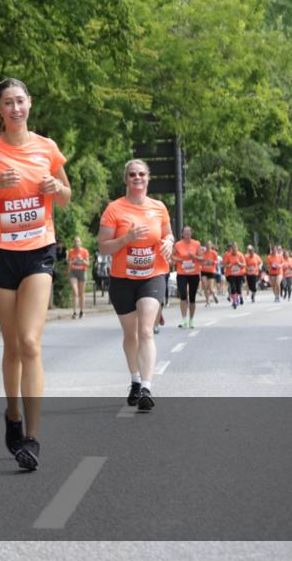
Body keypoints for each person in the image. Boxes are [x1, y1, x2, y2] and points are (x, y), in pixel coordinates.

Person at [0, 78, 71, 471]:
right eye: (7, 103)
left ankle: (33, 438)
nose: (15, 108)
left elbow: (66, 195)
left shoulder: (47, 148)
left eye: (20, 101)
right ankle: (12, 414)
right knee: (11, 345)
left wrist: (55, 187)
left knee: (30, 342)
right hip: (0, 253)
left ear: (30, 103)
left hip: (39, 250)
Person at [98, 159, 173, 413]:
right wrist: (127, 238)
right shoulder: (114, 209)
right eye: (132, 174)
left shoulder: (159, 207)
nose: (137, 178)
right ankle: (135, 379)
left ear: (148, 178)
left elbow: (168, 234)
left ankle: (147, 388)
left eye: (142, 174)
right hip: (122, 279)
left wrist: (170, 242)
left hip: (153, 274)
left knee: (146, 331)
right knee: (130, 334)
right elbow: (103, 246)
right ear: (126, 179)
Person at [172, 226, 202, 328]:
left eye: (189, 232)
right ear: (182, 234)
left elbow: (201, 258)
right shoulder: (178, 244)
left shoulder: (196, 243)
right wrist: (179, 260)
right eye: (185, 232)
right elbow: (172, 256)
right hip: (182, 273)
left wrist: (194, 257)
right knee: (183, 295)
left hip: (194, 273)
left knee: (192, 297)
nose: (187, 233)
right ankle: (183, 319)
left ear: (191, 233)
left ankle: (191, 320)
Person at [67, 236, 90, 319]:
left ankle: (82, 311)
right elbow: (69, 263)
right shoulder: (71, 252)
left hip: (82, 272)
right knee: (75, 291)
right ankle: (74, 312)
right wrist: (73, 261)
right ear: (73, 243)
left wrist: (82, 260)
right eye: (75, 241)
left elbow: (88, 264)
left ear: (81, 243)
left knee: (81, 293)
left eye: (78, 241)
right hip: (73, 272)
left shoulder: (84, 251)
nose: (76, 243)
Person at [222, 242, 247, 309]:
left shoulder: (240, 255)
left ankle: (238, 298)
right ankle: (234, 301)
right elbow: (224, 264)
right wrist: (228, 265)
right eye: (233, 249)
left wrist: (239, 264)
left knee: (238, 289)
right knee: (233, 287)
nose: (234, 250)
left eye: (235, 249)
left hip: (239, 274)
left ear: (237, 248)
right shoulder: (228, 255)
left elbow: (244, 264)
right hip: (230, 274)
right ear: (231, 249)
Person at [200, 240, 220, 306]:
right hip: (204, 271)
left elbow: (217, 262)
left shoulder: (214, 253)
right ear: (205, 246)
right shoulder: (203, 253)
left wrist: (212, 262)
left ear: (211, 246)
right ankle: (207, 301)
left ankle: (214, 295)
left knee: (210, 288)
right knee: (205, 286)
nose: (208, 246)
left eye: (209, 245)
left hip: (211, 271)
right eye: (207, 245)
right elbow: (200, 261)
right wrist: (204, 263)